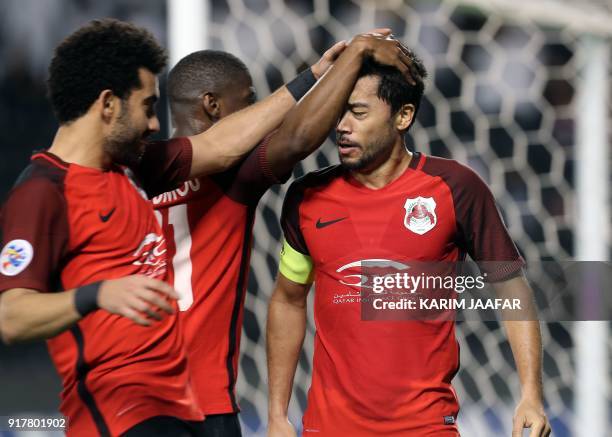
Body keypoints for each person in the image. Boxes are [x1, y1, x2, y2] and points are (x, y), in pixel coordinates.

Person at [0, 18, 343, 437]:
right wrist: (98, 294)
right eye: (146, 106)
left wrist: (313, 76)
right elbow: (9, 315)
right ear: (108, 104)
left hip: (178, 405)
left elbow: (219, 145)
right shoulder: (42, 192)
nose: (154, 124)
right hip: (117, 414)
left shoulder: (136, 170)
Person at [266, 56, 552, 436]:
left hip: (424, 426)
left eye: (358, 112)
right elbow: (288, 298)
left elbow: (510, 286)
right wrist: (276, 414)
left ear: (403, 116)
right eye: (339, 113)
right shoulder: (306, 197)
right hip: (328, 427)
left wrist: (530, 395)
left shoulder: (456, 188)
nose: (342, 127)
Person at [155, 30, 415, 437]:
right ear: (213, 106)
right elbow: (296, 137)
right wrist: (356, 52)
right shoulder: (230, 176)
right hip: (199, 404)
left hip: (121, 402)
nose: (259, 112)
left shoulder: (127, 172)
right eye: (249, 101)